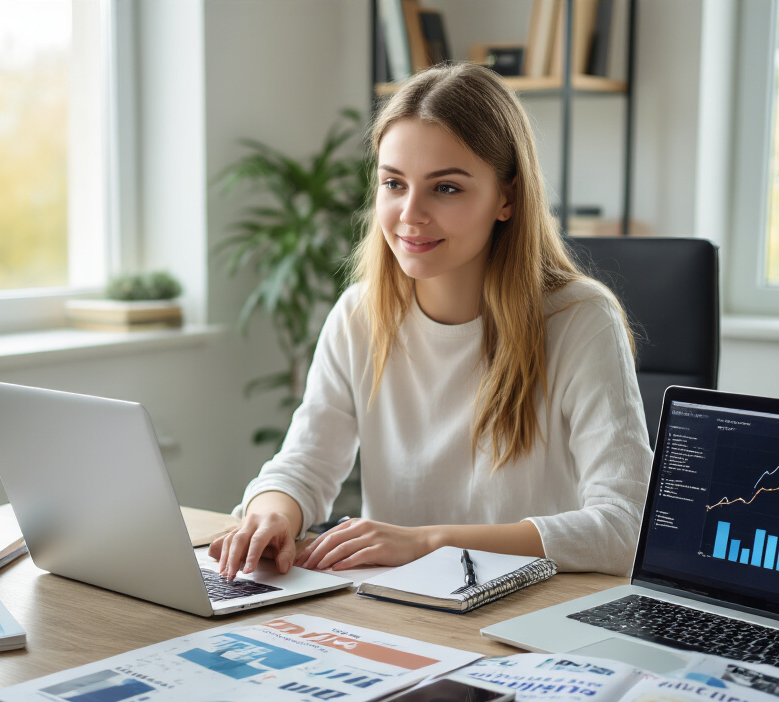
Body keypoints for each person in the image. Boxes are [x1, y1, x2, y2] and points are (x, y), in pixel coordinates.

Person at [211, 62, 651, 582]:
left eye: (446, 189)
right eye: (394, 183)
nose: (410, 214)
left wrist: (430, 543)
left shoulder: (579, 320)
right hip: (400, 612)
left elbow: (626, 528)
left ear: (506, 198)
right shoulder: (359, 314)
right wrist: (270, 516)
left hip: (529, 614)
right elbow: (304, 465)